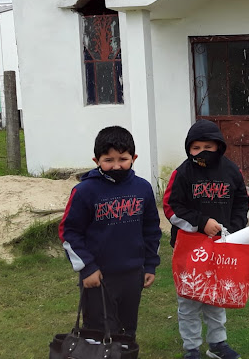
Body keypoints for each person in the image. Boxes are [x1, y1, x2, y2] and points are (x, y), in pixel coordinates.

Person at [58, 125, 162, 340]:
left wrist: (150, 264)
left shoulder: (143, 188)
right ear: (96, 161)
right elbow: (69, 233)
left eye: (122, 159)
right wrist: (87, 268)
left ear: (134, 157)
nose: (116, 166)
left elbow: (151, 229)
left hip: (133, 274)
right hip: (99, 276)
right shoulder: (84, 191)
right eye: (108, 160)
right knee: (99, 331)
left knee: (126, 331)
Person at [163, 119, 249, 359]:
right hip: (189, 250)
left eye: (208, 147)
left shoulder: (231, 170)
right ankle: (191, 348)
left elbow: (242, 202)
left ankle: (217, 344)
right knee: (189, 300)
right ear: (189, 149)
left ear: (219, 147)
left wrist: (233, 229)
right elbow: (171, 207)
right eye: (196, 148)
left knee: (216, 297)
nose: (202, 152)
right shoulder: (182, 172)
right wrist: (201, 223)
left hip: (222, 248)